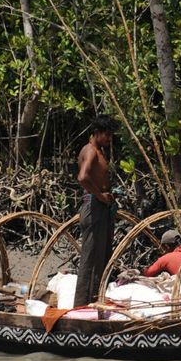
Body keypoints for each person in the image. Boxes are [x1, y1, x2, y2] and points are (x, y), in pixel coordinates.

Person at [73, 115, 118, 308]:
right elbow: (82, 177)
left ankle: (94, 302)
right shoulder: (90, 150)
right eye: (107, 135)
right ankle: (81, 306)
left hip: (101, 206)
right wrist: (100, 196)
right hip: (94, 205)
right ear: (97, 133)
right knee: (90, 258)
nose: (109, 139)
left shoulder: (98, 150)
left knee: (102, 256)